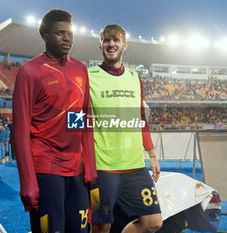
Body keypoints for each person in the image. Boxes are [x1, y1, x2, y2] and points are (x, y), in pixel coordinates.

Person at [12, 9, 97, 233]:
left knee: (79, 230)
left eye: (69, 33)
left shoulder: (80, 69)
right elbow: (20, 132)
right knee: (49, 230)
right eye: (60, 33)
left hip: (76, 171)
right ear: (45, 36)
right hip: (45, 169)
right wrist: (27, 180)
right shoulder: (29, 71)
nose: (67, 38)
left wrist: (90, 166)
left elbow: (83, 121)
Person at [88, 24, 163, 233]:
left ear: (124, 45)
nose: (111, 44)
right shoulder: (88, 76)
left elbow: (140, 118)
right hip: (102, 167)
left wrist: (152, 154)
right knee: (101, 227)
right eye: (106, 40)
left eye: (116, 40)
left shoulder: (134, 78)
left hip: (135, 166)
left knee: (153, 222)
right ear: (100, 44)